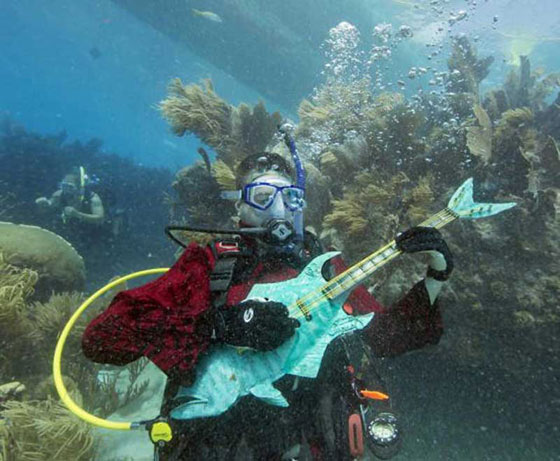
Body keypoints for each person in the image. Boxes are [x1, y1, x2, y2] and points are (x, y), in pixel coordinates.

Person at [82, 151, 452, 460]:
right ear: (239, 207)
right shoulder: (208, 264)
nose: (278, 208)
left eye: (290, 197)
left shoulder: (326, 267)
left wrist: (436, 275)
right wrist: (218, 325)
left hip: (314, 446)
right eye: (262, 196)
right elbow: (102, 339)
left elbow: (386, 338)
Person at [35, 167, 105, 228]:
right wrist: (43, 204)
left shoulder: (92, 198)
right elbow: (46, 209)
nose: (66, 190)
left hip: (89, 232)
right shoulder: (59, 194)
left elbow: (100, 219)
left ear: (80, 187)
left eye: (70, 187)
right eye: (63, 185)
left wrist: (77, 214)